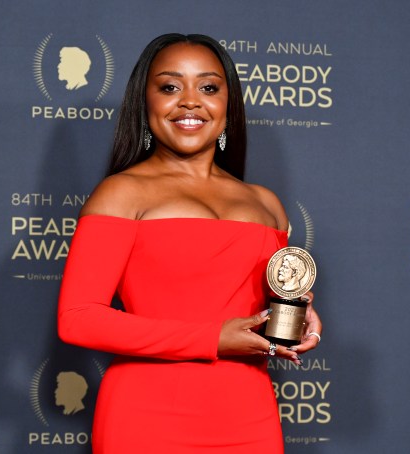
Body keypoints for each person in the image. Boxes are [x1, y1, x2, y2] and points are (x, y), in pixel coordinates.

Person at [58, 33, 322, 453]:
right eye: (169, 87)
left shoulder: (266, 203)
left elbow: (268, 301)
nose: (190, 102)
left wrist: (300, 316)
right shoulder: (121, 194)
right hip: (145, 417)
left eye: (209, 87)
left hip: (247, 413)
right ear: (145, 104)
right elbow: (77, 317)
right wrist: (212, 338)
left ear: (228, 107)